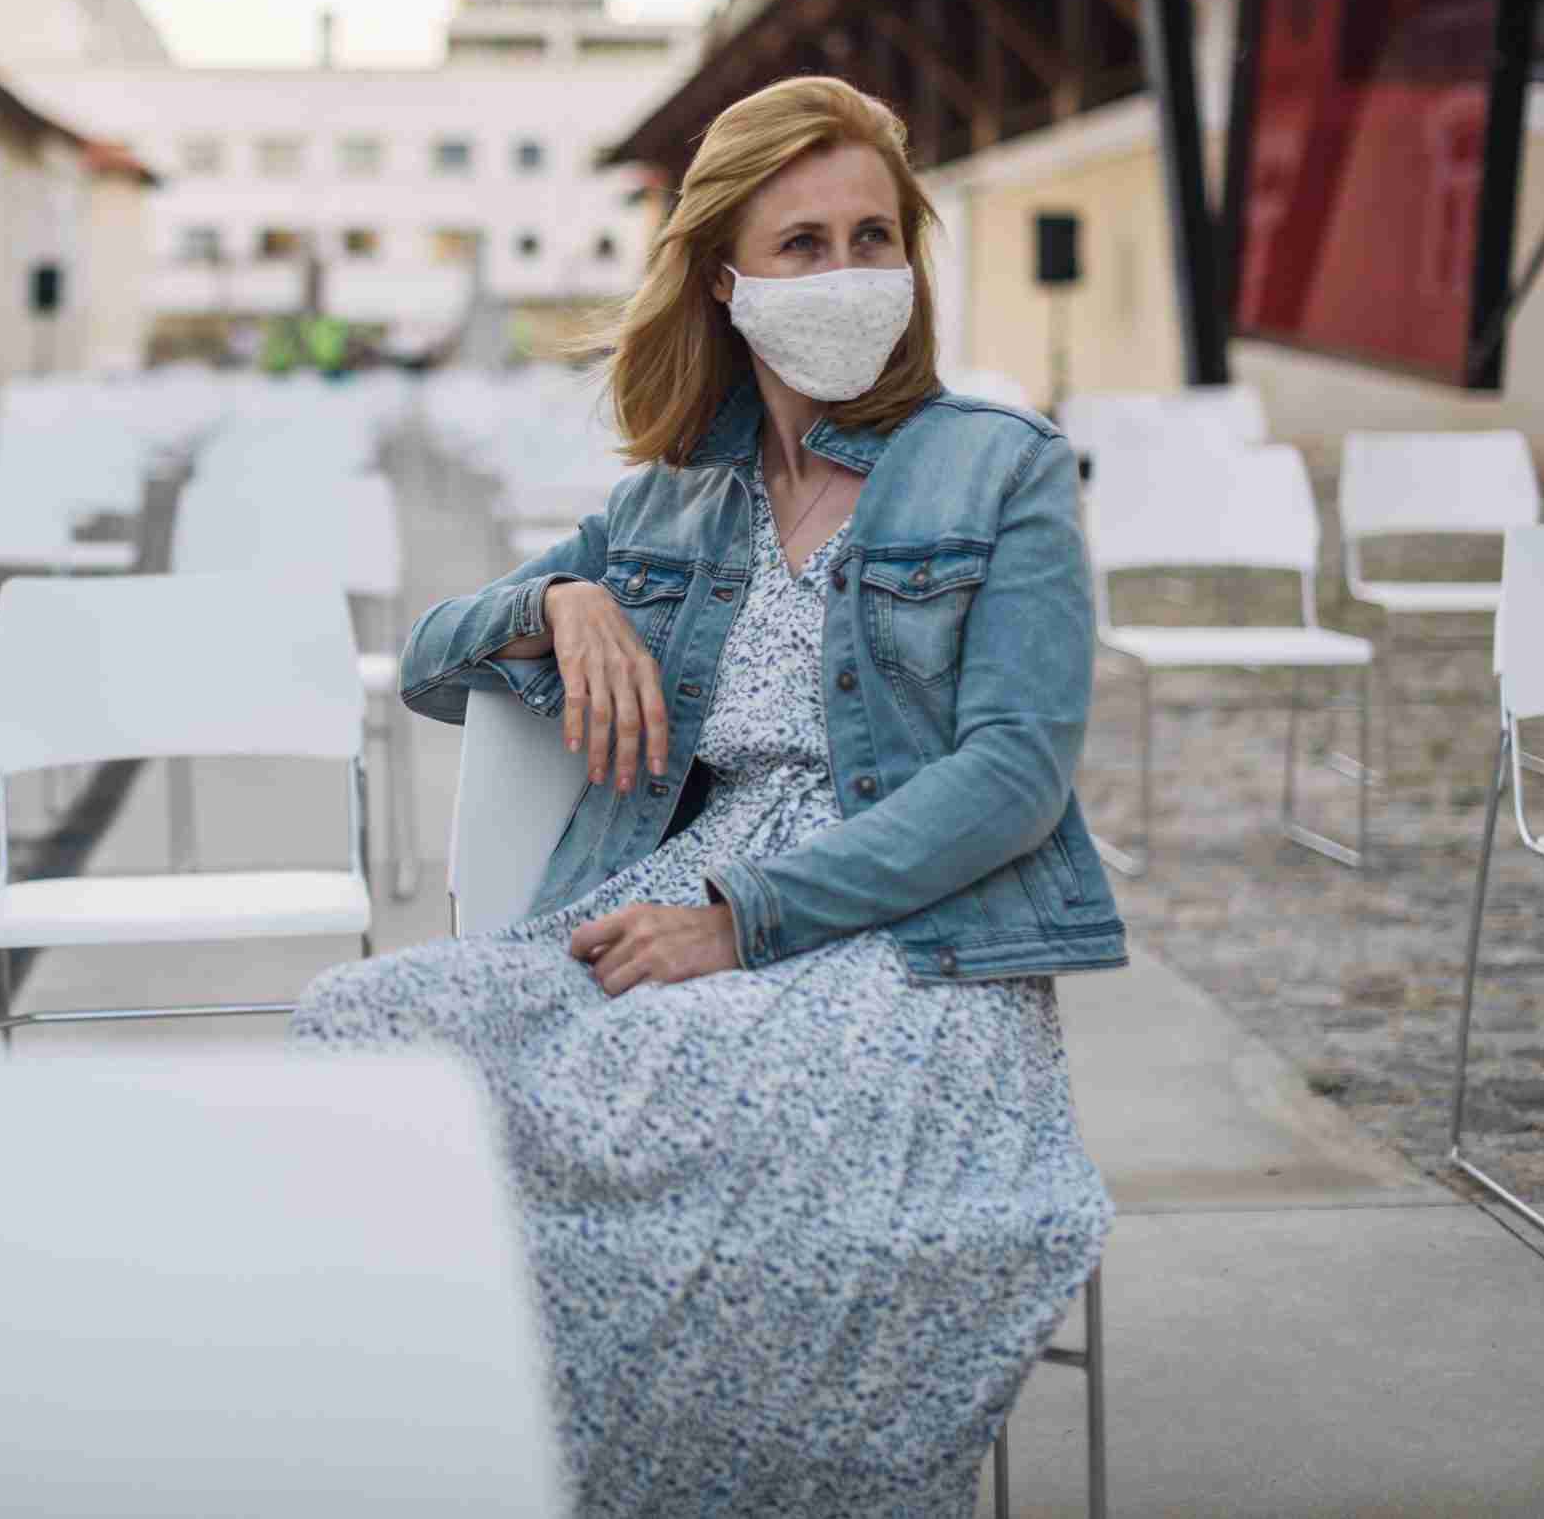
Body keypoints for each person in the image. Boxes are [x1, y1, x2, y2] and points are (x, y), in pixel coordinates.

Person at [293, 74, 1123, 1518]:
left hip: (905, 936)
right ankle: (456, 1460)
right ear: (726, 280)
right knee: (361, 1027)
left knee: (636, 1088)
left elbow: (1013, 776)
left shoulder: (1005, 469)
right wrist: (558, 599)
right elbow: (429, 665)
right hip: (664, 903)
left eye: (876, 237)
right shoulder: (678, 500)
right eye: (803, 245)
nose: (850, 274)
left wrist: (743, 918)